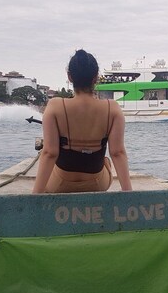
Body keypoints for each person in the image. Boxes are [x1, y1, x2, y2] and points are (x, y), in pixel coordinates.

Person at [33, 49, 132, 193]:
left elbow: (49, 153)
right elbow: (117, 153)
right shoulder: (113, 109)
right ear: (95, 78)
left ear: (70, 76)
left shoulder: (55, 106)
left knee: (50, 163)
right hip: (97, 185)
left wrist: (35, 196)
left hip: (59, 185)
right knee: (107, 162)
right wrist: (129, 194)